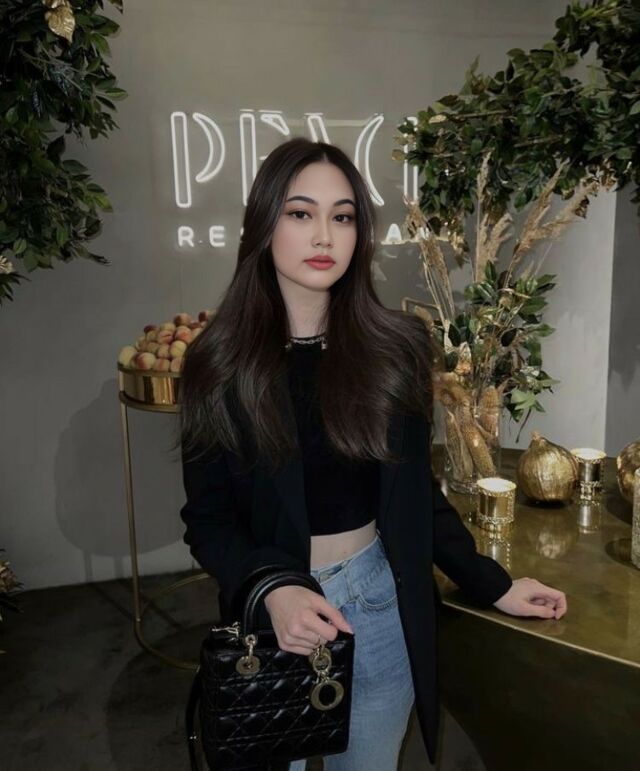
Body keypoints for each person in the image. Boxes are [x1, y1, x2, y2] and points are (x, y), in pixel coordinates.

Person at [175, 137, 567, 771]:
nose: (323, 235)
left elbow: (416, 497)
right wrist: (273, 589)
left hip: (379, 608)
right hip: (278, 618)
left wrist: (491, 583)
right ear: (264, 223)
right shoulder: (218, 363)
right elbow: (208, 520)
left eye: (343, 216)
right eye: (300, 213)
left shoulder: (396, 349)